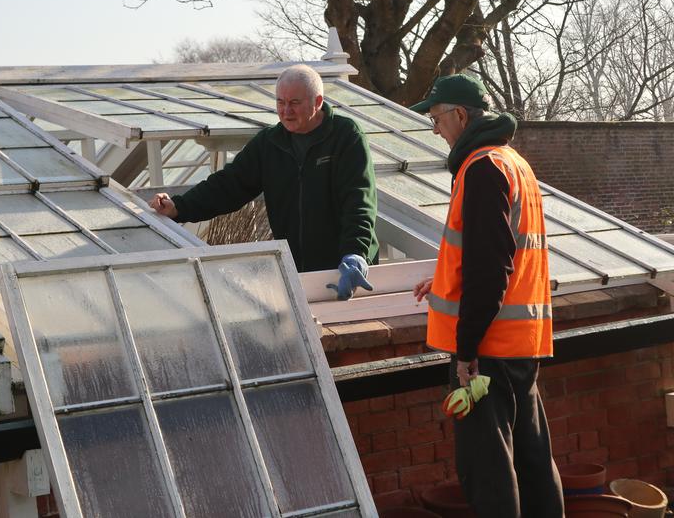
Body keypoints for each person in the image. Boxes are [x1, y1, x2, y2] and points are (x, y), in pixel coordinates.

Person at [411, 74, 563, 517]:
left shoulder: (480, 168)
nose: (435, 129)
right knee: (532, 462)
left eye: (437, 119)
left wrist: (466, 350)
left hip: (488, 350)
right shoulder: (512, 162)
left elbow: (490, 267)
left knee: (489, 471)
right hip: (521, 344)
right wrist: (441, 280)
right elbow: (497, 255)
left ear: (460, 115)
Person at [150, 64, 379, 299]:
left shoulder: (345, 136)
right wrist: (180, 207)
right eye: (280, 102)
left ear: (317, 101)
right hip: (294, 272)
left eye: (295, 103)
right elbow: (228, 185)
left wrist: (356, 254)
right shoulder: (270, 143)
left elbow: (359, 201)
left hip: (344, 271)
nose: (286, 111)